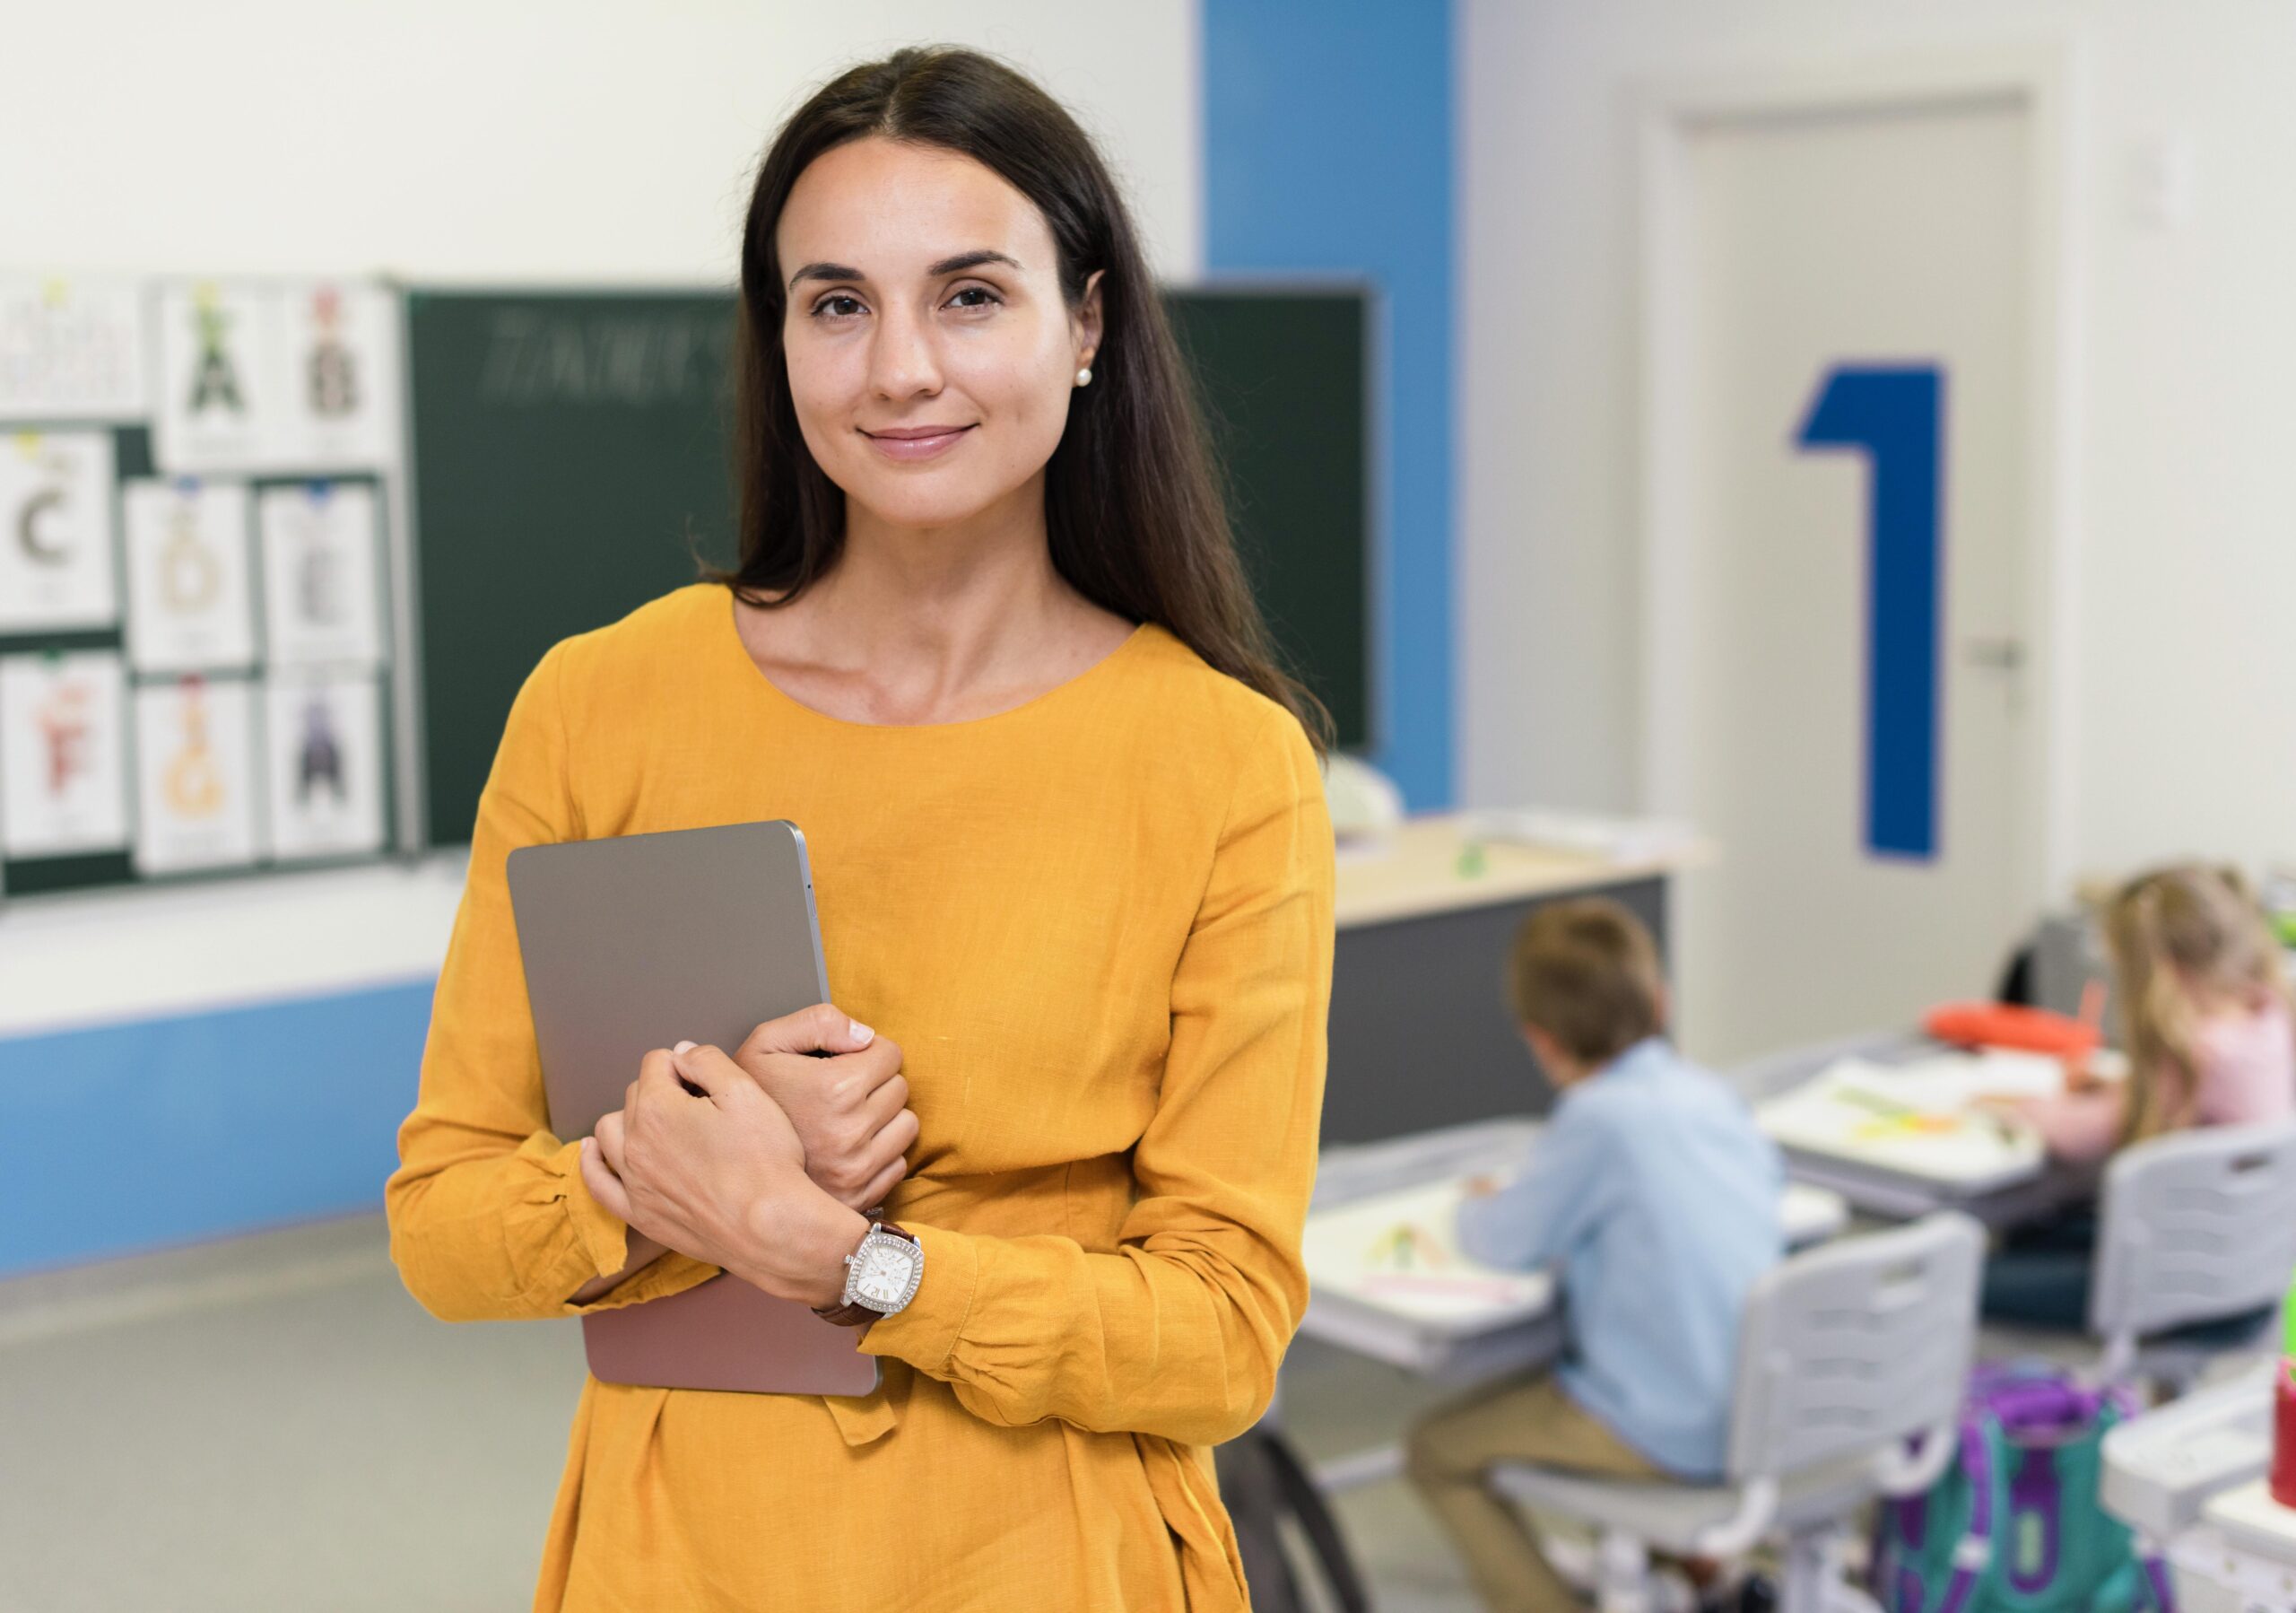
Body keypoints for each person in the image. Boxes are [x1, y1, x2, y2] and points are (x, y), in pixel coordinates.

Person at [384, 46, 1335, 1612]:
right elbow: (445, 1230)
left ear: (1086, 323)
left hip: (1054, 1558)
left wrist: (829, 1250)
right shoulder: (600, 702)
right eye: (837, 303)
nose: (899, 368)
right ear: (779, 341)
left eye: (970, 295)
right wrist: (663, 1170)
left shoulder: (1225, 762)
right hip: (679, 1554)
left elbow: (1222, 1336)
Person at [1407, 899, 1784, 1613]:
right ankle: (1707, 1578)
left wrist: (1472, 1202)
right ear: (1661, 1001)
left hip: (1668, 1429)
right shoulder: (1711, 1096)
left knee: (1435, 1451)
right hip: (1758, 1409)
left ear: (1541, 1041)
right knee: (1583, 1379)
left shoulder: (1596, 1120)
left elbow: (1504, 1241)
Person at [1982, 863, 2296, 1326]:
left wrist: (2015, 1108)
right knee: (2038, 1234)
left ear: (2155, 971)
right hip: (2247, 1276)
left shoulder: (2193, 1055)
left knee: (1972, 1275)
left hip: (2173, 1287)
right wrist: (2122, 1089)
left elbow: (2074, 1136)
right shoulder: (2267, 1021)